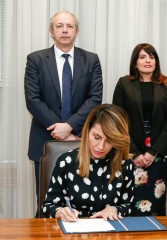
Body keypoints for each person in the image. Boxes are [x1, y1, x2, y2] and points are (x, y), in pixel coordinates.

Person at [24, 10, 103, 217]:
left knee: (82, 205)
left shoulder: (91, 60)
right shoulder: (36, 59)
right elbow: (33, 100)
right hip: (44, 142)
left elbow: (95, 98)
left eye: (69, 26)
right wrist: (60, 129)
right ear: (52, 32)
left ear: (76, 31)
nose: (64, 30)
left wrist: (69, 127)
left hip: (81, 140)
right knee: (46, 204)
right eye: (59, 26)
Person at [112, 43, 167, 216]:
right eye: (142, 57)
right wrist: (134, 151)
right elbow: (118, 119)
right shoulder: (124, 84)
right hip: (131, 154)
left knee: (156, 204)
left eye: (151, 57)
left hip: (158, 155)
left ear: (156, 61)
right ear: (135, 62)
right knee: (130, 202)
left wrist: (153, 151)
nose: (147, 60)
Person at [42, 104, 135, 221]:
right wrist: (60, 212)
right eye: (96, 137)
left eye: (110, 140)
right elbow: (47, 206)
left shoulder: (125, 164)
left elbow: (129, 206)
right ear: (87, 131)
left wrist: (115, 210)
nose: (101, 146)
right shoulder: (66, 161)